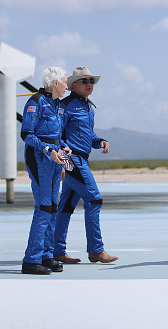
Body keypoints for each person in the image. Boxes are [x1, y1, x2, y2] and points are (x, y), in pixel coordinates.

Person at [53, 67, 119, 264]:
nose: (89, 84)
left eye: (91, 81)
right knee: (94, 199)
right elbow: (57, 135)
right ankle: (96, 250)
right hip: (72, 161)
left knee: (65, 207)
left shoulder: (89, 107)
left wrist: (99, 141)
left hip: (82, 159)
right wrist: (63, 162)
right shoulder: (65, 106)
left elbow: (87, 135)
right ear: (75, 85)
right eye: (85, 81)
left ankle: (57, 251)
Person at [20, 66, 72, 275]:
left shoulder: (58, 105)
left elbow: (55, 135)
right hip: (39, 157)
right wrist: (47, 149)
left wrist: (63, 147)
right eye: (65, 82)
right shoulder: (35, 102)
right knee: (43, 207)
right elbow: (27, 134)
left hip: (54, 159)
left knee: (52, 207)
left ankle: (46, 255)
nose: (67, 86)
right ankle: (31, 260)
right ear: (55, 83)